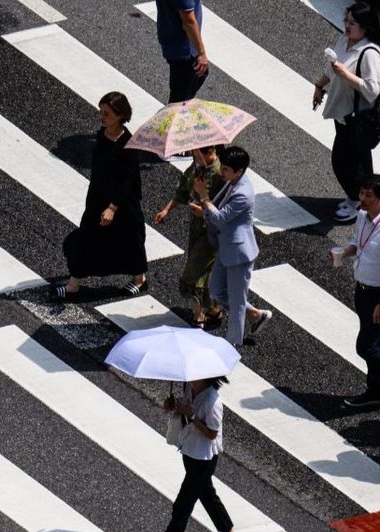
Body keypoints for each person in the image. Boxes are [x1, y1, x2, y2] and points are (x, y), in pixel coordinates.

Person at [134, 376, 238, 532]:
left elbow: (212, 433)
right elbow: (184, 412)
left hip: (204, 459)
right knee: (206, 493)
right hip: (190, 450)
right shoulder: (189, 387)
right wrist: (174, 407)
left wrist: (190, 416)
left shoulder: (213, 401)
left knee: (182, 506)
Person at [54, 92, 148, 300]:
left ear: (120, 115)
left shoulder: (129, 144)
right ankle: (73, 285)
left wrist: (113, 208)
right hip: (98, 198)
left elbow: (128, 180)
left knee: (130, 240)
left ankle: (139, 279)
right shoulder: (102, 135)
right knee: (86, 237)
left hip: (122, 204)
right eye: (101, 112)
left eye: (107, 113)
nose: (102, 117)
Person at [311, 1, 380, 223]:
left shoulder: (370, 53)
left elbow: (372, 89)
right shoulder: (344, 40)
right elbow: (331, 68)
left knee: (345, 161)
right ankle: (364, 198)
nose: (347, 26)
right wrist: (319, 86)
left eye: (352, 23)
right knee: (355, 162)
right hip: (344, 114)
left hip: (359, 118)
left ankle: (359, 202)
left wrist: (346, 75)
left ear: (365, 27)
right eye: (346, 20)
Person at [333, 174, 380, 408]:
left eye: (368, 195)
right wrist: (344, 253)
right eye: (361, 193)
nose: (362, 199)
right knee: (373, 342)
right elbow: (358, 243)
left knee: (364, 346)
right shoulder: (364, 217)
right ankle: (375, 389)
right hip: (362, 290)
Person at [189, 146, 273, 347]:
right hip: (226, 248)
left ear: (239, 171)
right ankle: (254, 313)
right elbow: (215, 208)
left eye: (225, 169)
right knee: (216, 290)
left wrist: (204, 198)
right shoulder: (232, 182)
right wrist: (203, 201)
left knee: (236, 304)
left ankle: (232, 344)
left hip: (238, 253)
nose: (221, 171)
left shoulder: (243, 193)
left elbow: (219, 217)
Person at [155, 145, 226, 327]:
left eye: (195, 152)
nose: (192, 155)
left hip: (211, 233)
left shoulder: (220, 174)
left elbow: (224, 210)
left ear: (209, 152)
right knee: (201, 271)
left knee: (193, 275)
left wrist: (202, 210)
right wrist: (166, 210)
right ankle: (213, 309)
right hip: (196, 228)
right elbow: (183, 192)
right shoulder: (197, 168)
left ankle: (198, 315)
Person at [155, 0, 209, 103]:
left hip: (174, 42)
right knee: (180, 102)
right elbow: (188, 21)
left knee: (199, 76)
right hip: (185, 50)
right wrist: (201, 53)